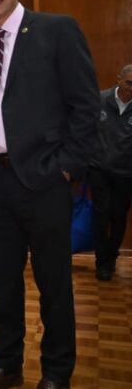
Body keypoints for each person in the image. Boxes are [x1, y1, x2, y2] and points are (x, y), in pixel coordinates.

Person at [0, 0, 100, 389]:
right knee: (1, 283)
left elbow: (86, 106)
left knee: (54, 283)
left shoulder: (57, 30)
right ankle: (7, 366)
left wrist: (66, 168)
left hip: (45, 180)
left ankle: (57, 372)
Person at [89, 64, 132, 281]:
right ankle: (101, 262)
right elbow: (85, 131)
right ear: (119, 79)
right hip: (99, 170)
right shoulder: (99, 100)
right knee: (101, 214)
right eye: (129, 83)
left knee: (119, 217)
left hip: (125, 173)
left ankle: (111, 256)